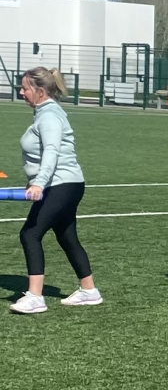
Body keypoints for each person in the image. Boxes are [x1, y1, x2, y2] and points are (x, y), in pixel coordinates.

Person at [12, 68, 100, 314]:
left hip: (61, 185)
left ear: (40, 91)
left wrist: (39, 183)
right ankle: (89, 290)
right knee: (67, 236)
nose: (21, 92)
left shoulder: (49, 115)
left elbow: (51, 151)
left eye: (25, 88)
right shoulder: (45, 113)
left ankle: (35, 296)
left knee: (30, 234)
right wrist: (35, 181)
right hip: (65, 184)